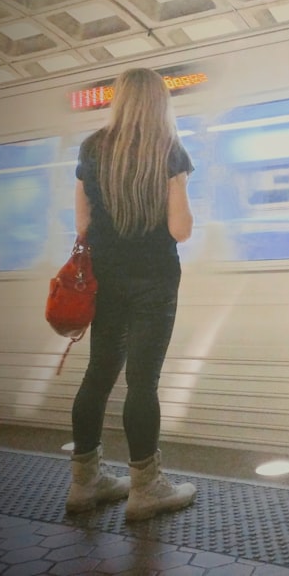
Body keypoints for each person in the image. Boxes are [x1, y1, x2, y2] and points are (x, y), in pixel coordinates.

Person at [65, 67, 197, 521]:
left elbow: (82, 224)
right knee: (143, 382)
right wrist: (176, 182)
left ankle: (84, 483)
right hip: (154, 281)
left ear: (120, 100)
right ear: (161, 103)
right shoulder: (170, 151)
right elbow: (180, 230)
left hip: (106, 278)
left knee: (98, 376)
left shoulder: (91, 148)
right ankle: (145, 488)